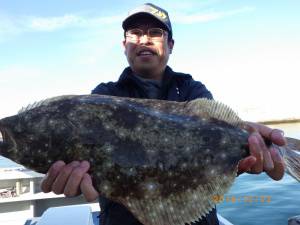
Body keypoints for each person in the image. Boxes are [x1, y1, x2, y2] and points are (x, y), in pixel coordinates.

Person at [41, 3, 286, 225]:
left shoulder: (193, 90)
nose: (144, 40)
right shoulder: (103, 95)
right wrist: (78, 180)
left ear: (170, 45)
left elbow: (216, 153)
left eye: (155, 33)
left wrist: (244, 158)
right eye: (135, 33)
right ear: (124, 45)